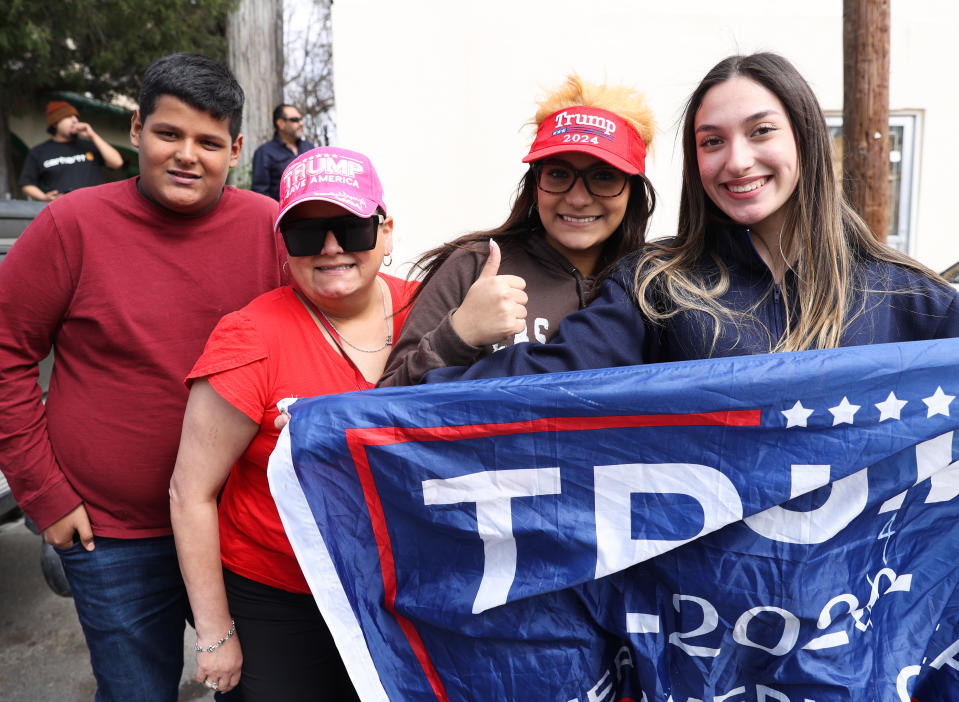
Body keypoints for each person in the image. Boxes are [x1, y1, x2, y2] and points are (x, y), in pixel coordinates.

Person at [0, 53, 287, 702]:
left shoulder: (270, 229)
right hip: (111, 533)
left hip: (240, 528)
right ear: (135, 130)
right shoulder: (69, 226)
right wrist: (42, 493)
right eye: (169, 134)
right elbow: (6, 350)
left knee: (265, 689)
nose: (187, 155)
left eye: (209, 142)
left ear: (236, 148)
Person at [423, 52, 959, 383]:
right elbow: (540, 382)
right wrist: (439, 371)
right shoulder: (657, 286)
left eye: (761, 131)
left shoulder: (903, 294)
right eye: (712, 141)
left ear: (807, 139)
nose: (738, 159)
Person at [170, 146, 418, 699]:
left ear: (386, 230)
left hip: (401, 591)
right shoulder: (250, 337)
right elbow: (190, 493)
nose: (330, 248)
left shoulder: (430, 311)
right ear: (286, 247)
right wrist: (214, 633)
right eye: (306, 234)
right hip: (279, 594)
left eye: (350, 227)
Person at [377, 75, 657, 387]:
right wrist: (458, 334)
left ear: (632, 191)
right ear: (534, 183)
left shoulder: (654, 285)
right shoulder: (474, 264)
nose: (578, 198)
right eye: (558, 174)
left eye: (604, 176)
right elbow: (386, 402)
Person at [19, 100, 124, 201]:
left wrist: (92, 135)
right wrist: (44, 197)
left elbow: (116, 163)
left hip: (93, 206)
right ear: (55, 123)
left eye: (76, 117)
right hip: (61, 209)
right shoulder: (39, 151)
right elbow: (27, 184)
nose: (75, 120)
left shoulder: (89, 145)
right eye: (68, 117)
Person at [251, 103, 315, 200]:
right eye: (295, 120)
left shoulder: (309, 147)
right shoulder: (264, 152)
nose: (301, 123)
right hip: (282, 213)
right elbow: (260, 193)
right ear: (281, 123)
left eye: (301, 119)